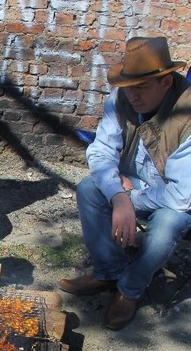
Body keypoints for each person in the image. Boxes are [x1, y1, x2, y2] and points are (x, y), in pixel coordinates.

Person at [59, 36, 191, 330]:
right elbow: (101, 151)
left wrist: (132, 200)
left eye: (141, 87)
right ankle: (108, 271)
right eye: (129, 87)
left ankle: (129, 290)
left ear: (166, 82)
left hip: (174, 199)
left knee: (169, 223)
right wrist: (119, 197)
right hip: (131, 186)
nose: (133, 96)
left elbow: (181, 195)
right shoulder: (122, 98)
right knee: (88, 188)